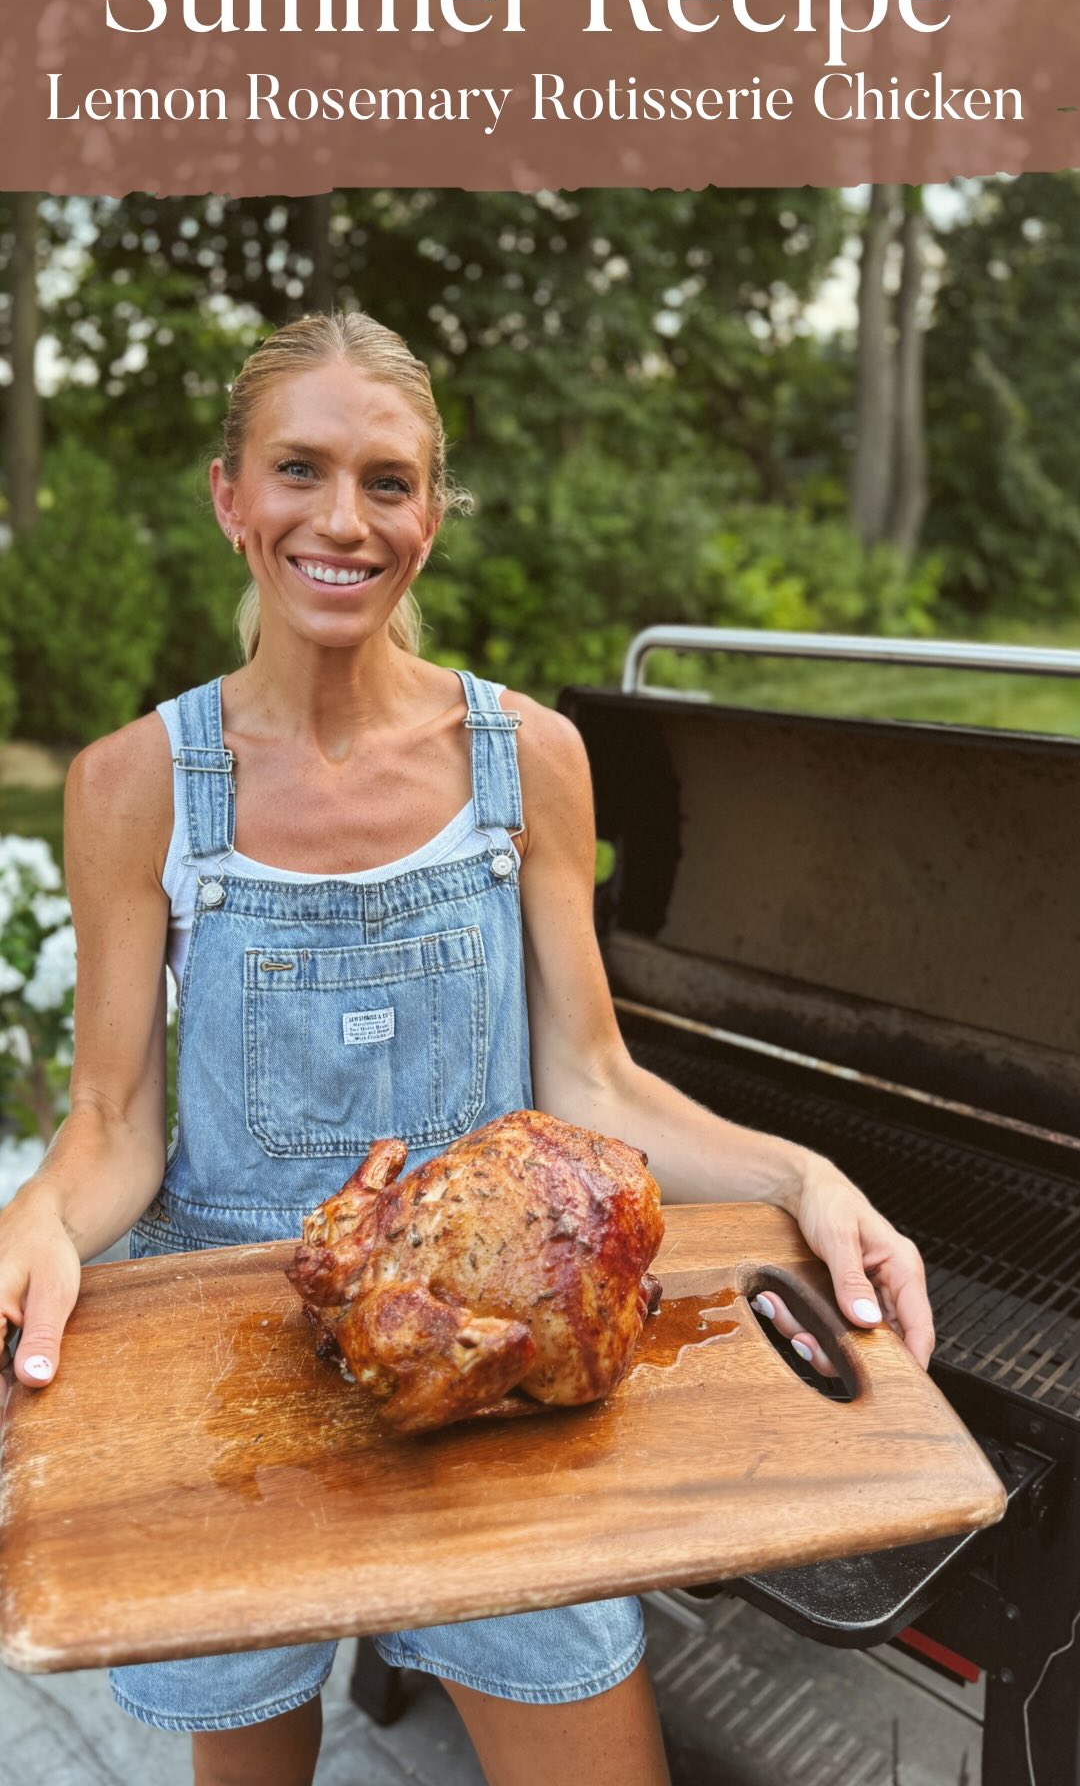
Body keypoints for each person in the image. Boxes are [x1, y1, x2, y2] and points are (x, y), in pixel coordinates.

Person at [0, 311, 934, 1786]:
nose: (342, 519)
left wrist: (808, 1176)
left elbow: (596, 1084)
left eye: (388, 481)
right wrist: (35, 1221)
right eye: (299, 469)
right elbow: (113, 1124)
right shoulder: (135, 785)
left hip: (514, 1373)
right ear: (229, 494)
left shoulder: (530, 760)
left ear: (431, 516)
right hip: (240, 1373)